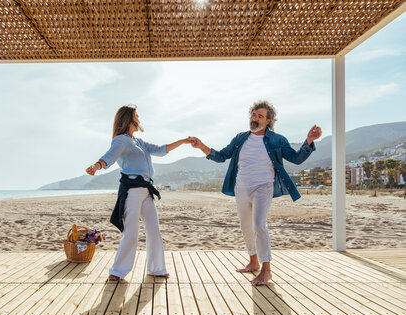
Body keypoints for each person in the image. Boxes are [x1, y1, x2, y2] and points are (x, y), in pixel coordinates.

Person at [189, 100, 322, 285]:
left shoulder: (277, 139)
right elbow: (221, 156)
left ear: (268, 121)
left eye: (260, 116)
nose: (255, 118)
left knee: (259, 224)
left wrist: (308, 141)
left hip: (264, 185)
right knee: (246, 226)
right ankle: (253, 262)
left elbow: (296, 158)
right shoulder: (240, 138)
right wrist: (202, 146)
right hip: (241, 186)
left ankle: (266, 270)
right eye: (253, 114)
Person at [86, 104, 191, 281]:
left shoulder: (138, 142)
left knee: (153, 230)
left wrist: (182, 141)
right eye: (136, 116)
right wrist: (96, 166)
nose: (139, 119)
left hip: (146, 191)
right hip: (132, 192)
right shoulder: (121, 140)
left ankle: (156, 268)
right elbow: (109, 157)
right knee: (131, 232)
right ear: (129, 119)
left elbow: (161, 150)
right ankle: (117, 271)